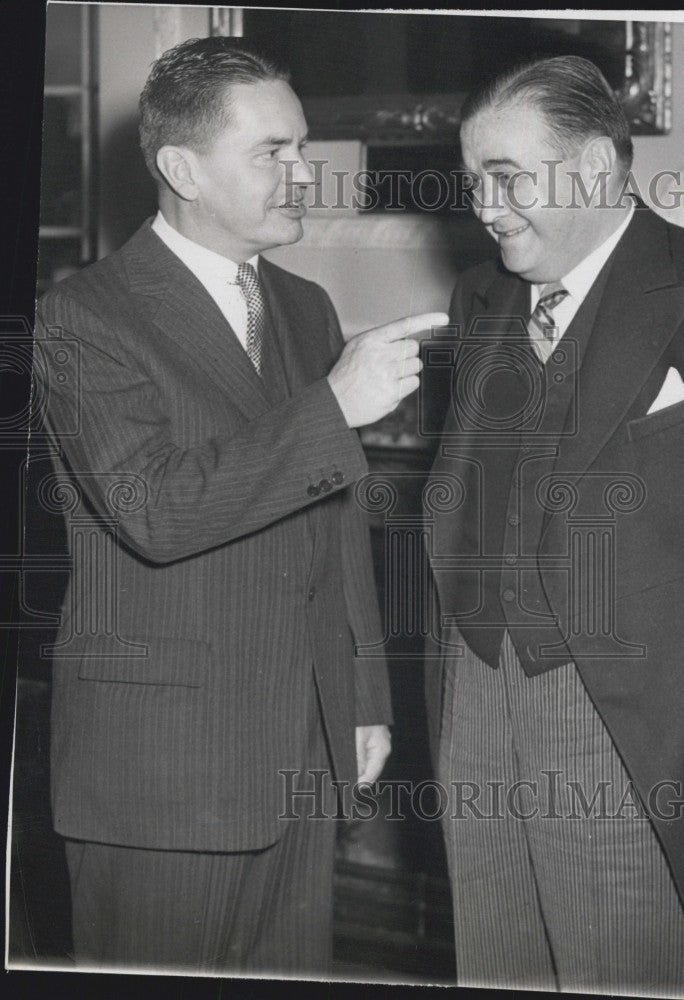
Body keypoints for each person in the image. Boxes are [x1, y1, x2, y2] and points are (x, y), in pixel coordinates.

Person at [32, 35, 445, 975]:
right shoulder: (83, 317)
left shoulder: (303, 308)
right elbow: (155, 510)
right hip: (163, 766)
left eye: (303, 147)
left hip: (298, 746)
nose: (305, 173)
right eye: (273, 153)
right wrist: (334, 405)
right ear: (181, 167)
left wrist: (364, 698)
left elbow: (334, 520)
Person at [424, 55, 684, 996]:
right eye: (473, 181)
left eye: (505, 177)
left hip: (631, 720)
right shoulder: (481, 298)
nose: (483, 204)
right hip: (472, 694)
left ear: (593, 168)